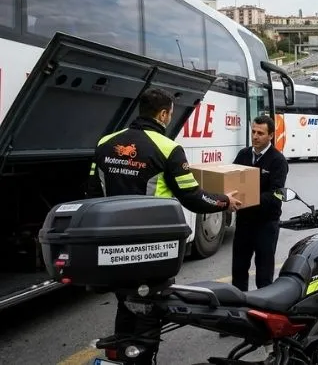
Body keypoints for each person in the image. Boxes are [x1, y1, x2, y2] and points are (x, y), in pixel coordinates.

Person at [87, 88, 242, 365]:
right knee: (150, 305)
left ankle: (122, 353)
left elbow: (90, 192)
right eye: (170, 113)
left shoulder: (105, 143)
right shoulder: (168, 148)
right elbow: (193, 197)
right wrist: (224, 202)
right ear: (162, 114)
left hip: (111, 243)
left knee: (125, 299)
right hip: (151, 245)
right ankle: (141, 359)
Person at [231, 115, 290, 291]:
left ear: (271, 136)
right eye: (253, 132)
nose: (255, 136)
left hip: (266, 224)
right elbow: (232, 179)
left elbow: (277, 194)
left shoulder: (278, 161)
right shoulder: (243, 155)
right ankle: (237, 309)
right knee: (239, 271)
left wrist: (250, 198)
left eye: (260, 133)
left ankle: (262, 312)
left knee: (264, 276)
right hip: (244, 222)